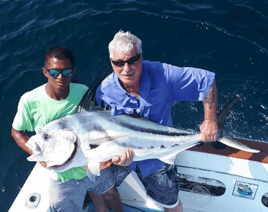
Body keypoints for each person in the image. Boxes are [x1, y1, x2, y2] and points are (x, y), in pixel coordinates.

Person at [95, 31, 218, 212]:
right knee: (96, 182)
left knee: (171, 204)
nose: (126, 69)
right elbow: (103, 134)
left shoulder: (164, 75)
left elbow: (206, 81)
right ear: (111, 62)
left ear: (141, 57)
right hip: (123, 156)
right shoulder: (104, 92)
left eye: (132, 60)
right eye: (119, 63)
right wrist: (115, 159)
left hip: (158, 158)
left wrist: (210, 120)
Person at [11, 46, 126, 212]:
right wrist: (37, 154)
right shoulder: (29, 101)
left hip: (91, 165)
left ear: (73, 71)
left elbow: (100, 128)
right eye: (54, 72)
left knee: (111, 195)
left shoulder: (84, 92)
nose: (60, 77)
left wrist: (106, 156)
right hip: (61, 177)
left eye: (66, 72)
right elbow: (16, 132)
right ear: (45, 72)